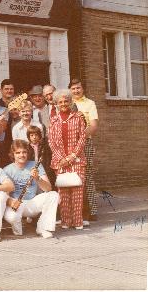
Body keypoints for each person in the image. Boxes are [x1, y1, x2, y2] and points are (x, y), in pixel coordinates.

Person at [3, 140, 59, 239]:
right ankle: (17, 227)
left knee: (54, 195)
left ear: (28, 153)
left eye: (24, 152)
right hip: (16, 204)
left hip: (32, 202)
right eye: (18, 153)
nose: (22, 155)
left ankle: (43, 228)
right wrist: (11, 202)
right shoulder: (7, 170)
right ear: (13, 154)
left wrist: (37, 178)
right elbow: (3, 195)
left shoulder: (36, 165)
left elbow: (48, 188)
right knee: (12, 219)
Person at [48, 89, 87, 230]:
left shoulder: (78, 118)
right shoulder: (53, 120)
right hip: (60, 161)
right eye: (60, 102)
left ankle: (77, 221)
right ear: (56, 104)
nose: (63, 104)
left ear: (71, 102)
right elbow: (51, 141)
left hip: (76, 160)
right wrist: (61, 158)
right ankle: (66, 221)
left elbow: (82, 139)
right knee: (63, 192)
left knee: (77, 191)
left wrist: (71, 157)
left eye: (66, 101)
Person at [69, 78, 99, 223]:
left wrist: (80, 137)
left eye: (78, 88)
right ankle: (76, 211)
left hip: (85, 143)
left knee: (87, 175)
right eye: (73, 88)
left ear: (83, 89)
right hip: (70, 145)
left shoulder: (90, 103)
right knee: (71, 176)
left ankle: (92, 210)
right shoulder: (66, 103)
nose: (76, 90)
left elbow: (93, 126)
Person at [0, 79, 15, 167]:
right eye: (6, 89)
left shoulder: (18, 103)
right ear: (1, 90)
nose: (9, 91)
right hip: (1, 142)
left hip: (14, 139)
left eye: (11, 89)